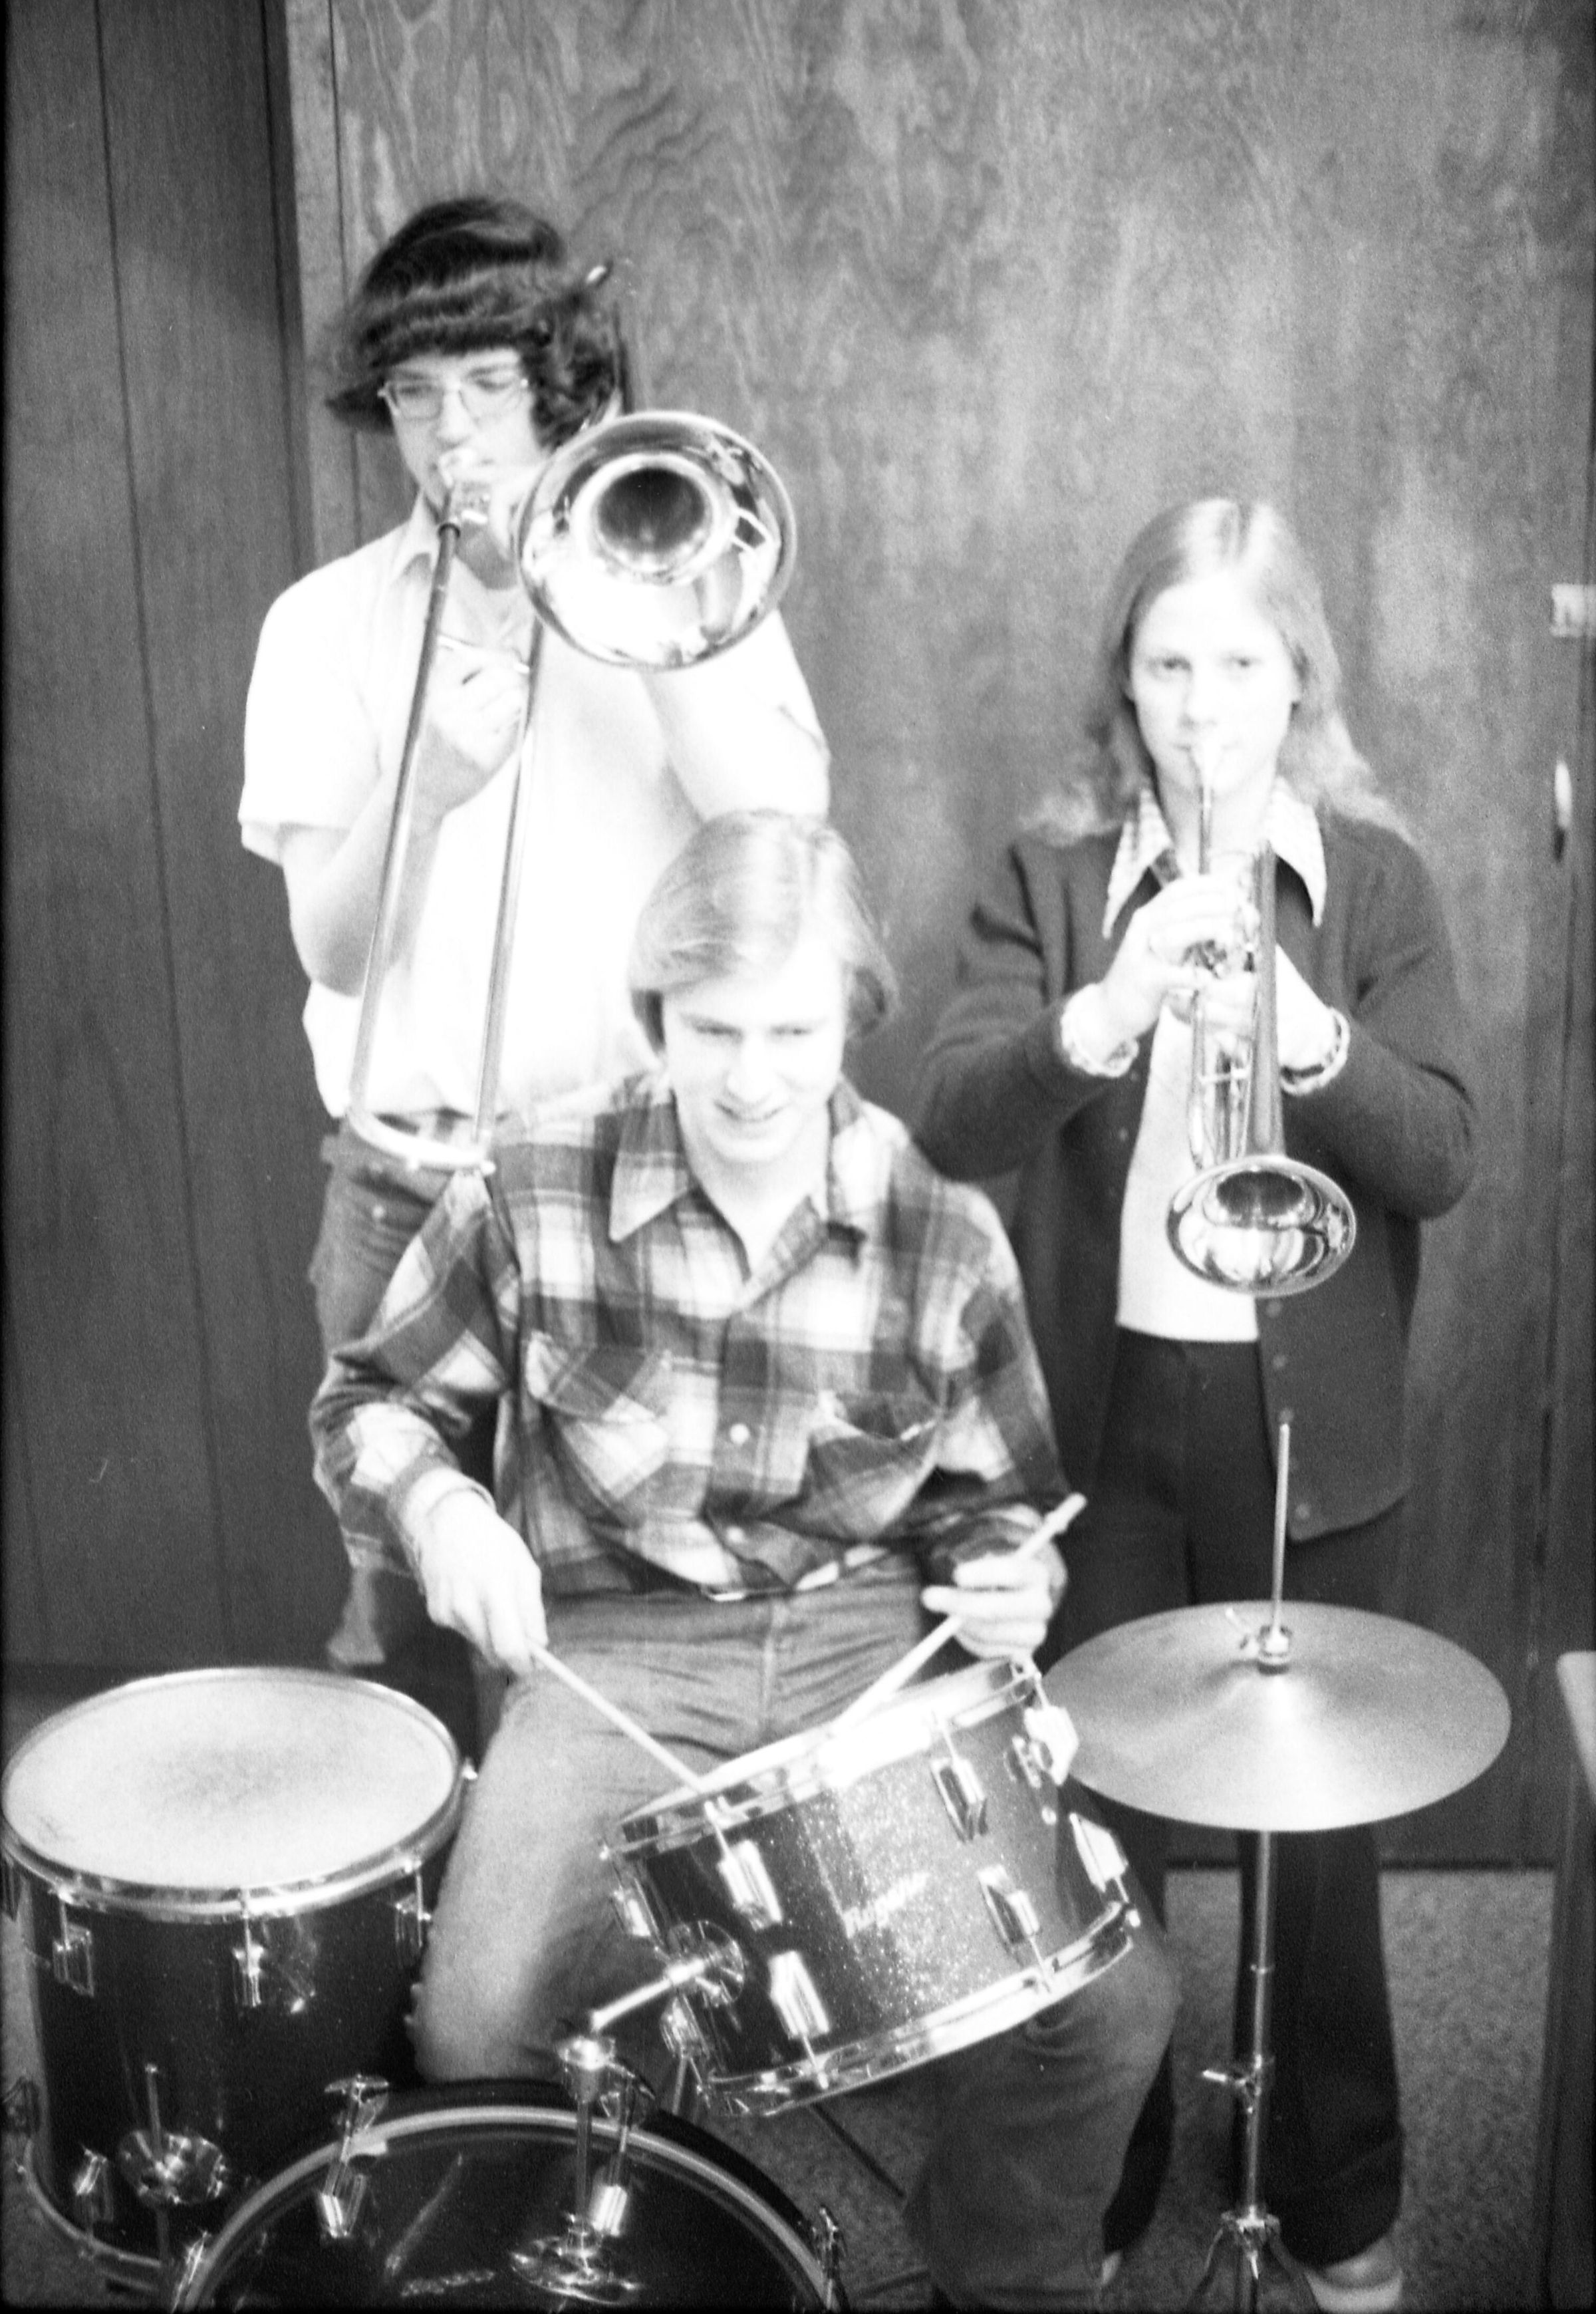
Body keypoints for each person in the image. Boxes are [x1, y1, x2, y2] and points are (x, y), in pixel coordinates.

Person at [311, 809, 1178, 2311]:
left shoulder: (939, 1230)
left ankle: (1000, 2276)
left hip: (871, 1646)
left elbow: (998, 1508)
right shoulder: (532, 1183)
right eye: (714, 1030)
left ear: (853, 1017)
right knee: (479, 2025)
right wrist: (444, 1511)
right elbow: (366, 1404)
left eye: (795, 1031)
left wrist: (1009, 1582)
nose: (755, 1076)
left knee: (1104, 2009)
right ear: (658, 1013)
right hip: (619, 1648)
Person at [912, 500, 1477, 2314]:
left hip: (1311, 1426)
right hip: (1106, 1416)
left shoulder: (1376, 883)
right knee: (1101, 1821)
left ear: (1299, 676)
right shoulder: (1052, 874)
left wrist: (1310, 1034)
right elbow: (952, 1121)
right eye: (1169, 665)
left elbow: (1441, 1156)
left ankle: (1338, 2188)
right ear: (1126, 683)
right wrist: (1103, 1013)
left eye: (1240, 663)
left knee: (1321, 1835)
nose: (1204, 705)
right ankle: (1109, 2164)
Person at [240, 195, 828, 1674]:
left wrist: (630, 592)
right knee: (408, 1615)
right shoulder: (320, 626)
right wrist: (425, 789)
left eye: (491, 385)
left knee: (632, 1622)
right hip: (402, 1192)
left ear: (563, 393)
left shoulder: (688, 574)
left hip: (625, 1188)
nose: (453, 436)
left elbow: (780, 828)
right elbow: (332, 952)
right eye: (414, 394)